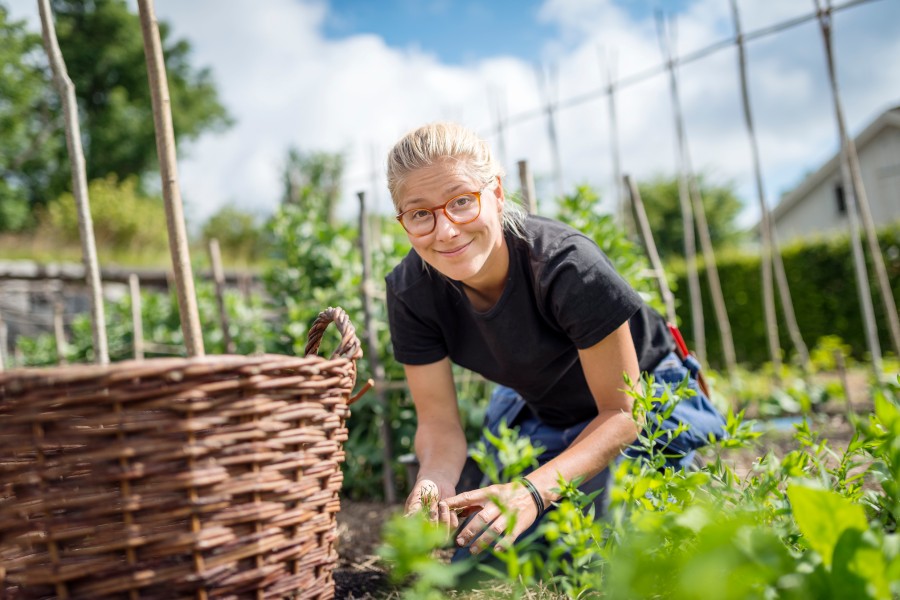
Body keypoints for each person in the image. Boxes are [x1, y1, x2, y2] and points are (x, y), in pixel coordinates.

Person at [384, 122, 726, 557]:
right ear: (404, 221)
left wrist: (531, 490)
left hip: (642, 398)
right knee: (489, 553)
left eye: (462, 202)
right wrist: (433, 481)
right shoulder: (410, 292)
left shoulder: (566, 266)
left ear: (498, 193)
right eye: (420, 214)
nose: (446, 230)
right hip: (544, 405)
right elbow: (438, 426)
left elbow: (622, 412)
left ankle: (680, 467)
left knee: (603, 549)